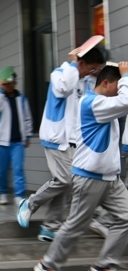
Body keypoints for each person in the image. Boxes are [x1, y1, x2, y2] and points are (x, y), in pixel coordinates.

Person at [34, 63, 128, 271]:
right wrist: (125, 76)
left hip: (111, 178)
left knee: (126, 216)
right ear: (106, 83)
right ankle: (47, 265)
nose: (120, 90)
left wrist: (123, 78)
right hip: (89, 177)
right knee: (76, 224)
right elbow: (125, 101)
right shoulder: (91, 103)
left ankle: (104, 267)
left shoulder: (106, 104)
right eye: (117, 85)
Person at [17, 47, 106, 242]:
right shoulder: (59, 74)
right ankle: (30, 203)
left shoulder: (85, 81)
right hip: (56, 138)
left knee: (67, 183)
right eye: (90, 68)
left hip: (75, 141)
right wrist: (73, 64)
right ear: (81, 63)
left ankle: (50, 227)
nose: (91, 73)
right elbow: (64, 88)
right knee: (65, 180)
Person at [0, 70, 33, 206]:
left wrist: (27, 135)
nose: (9, 85)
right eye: (6, 83)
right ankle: (2, 193)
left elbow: (27, 118)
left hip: (18, 141)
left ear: (15, 82)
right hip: (0, 141)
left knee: (18, 169)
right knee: (2, 170)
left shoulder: (22, 98)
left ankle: (19, 195)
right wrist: (0, 90)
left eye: (11, 82)